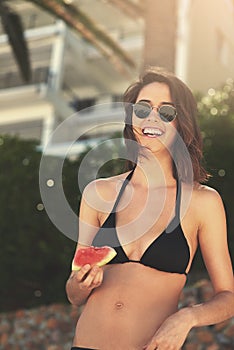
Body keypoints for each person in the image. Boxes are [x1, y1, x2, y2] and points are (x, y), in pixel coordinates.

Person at [66, 67, 234, 350]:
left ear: (182, 124)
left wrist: (186, 318)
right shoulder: (99, 193)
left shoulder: (203, 202)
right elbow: (74, 293)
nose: (152, 117)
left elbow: (228, 296)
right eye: (143, 109)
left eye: (167, 112)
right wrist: (80, 285)